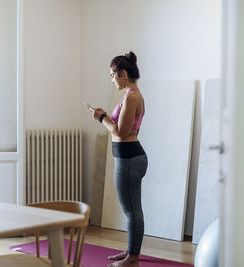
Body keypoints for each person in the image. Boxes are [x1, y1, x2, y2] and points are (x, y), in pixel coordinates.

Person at [87, 51, 148, 267]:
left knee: (132, 211)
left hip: (130, 160)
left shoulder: (132, 96)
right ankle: (131, 252)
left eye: (112, 75)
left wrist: (101, 118)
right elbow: (120, 126)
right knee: (131, 209)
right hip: (130, 158)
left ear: (122, 73)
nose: (112, 80)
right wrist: (104, 116)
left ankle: (132, 258)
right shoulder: (130, 95)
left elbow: (121, 132)